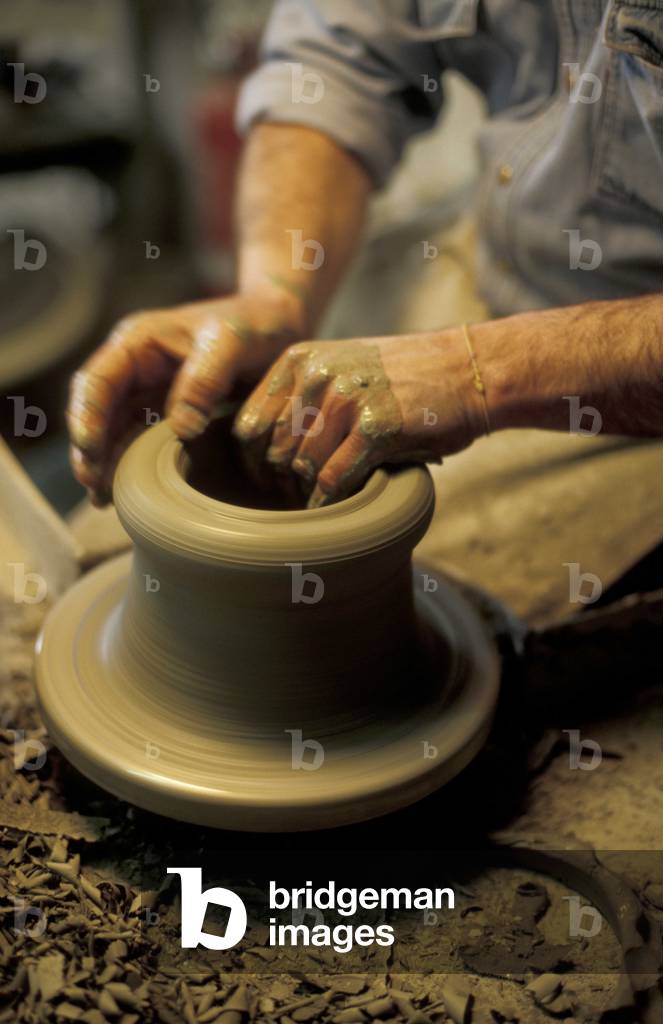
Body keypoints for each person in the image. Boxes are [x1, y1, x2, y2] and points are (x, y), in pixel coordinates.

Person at [67, 1, 663, 619]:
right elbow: (334, 58)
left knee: (364, 606)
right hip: (504, 245)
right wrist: (277, 293)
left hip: (632, 373)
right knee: (106, 549)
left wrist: (478, 372)